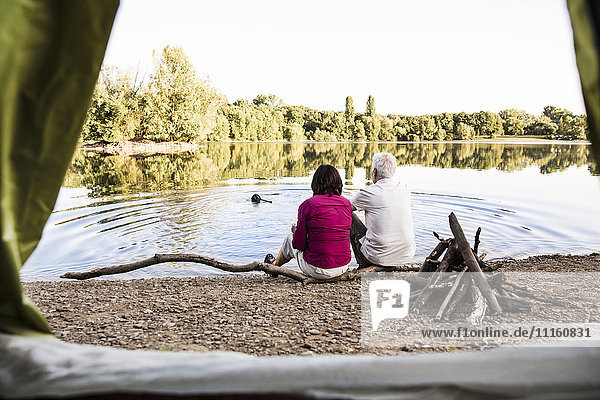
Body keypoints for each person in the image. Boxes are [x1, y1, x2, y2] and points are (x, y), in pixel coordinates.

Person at [265, 165, 352, 279]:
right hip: (343, 267)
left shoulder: (308, 205)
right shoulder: (347, 204)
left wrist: (296, 232)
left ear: (315, 183)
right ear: (339, 183)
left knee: (290, 239)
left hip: (317, 269)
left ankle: (274, 267)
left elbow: (299, 244)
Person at [350, 152, 416, 268]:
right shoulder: (405, 189)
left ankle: (363, 263)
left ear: (374, 171)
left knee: (349, 215)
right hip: (406, 255)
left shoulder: (369, 192)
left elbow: (343, 208)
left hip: (378, 257)